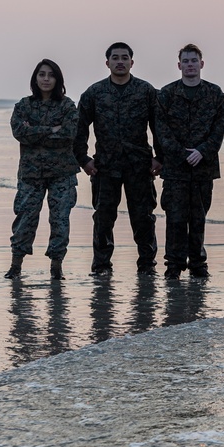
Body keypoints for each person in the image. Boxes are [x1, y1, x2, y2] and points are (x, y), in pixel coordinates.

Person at [75, 42, 162, 277]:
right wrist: (84, 160)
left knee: (143, 218)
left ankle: (147, 265)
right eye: (115, 58)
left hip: (139, 166)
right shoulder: (94, 93)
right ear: (107, 63)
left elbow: (159, 127)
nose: (120, 62)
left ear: (132, 62)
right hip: (105, 167)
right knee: (103, 218)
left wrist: (159, 158)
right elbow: (80, 128)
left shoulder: (146, 91)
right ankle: (102, 266)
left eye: (125, 58)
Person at [155, 44, 224, 280]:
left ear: (201, 64)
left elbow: (218, 131)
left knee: (198, 218)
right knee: (175, 220)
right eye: (185, 61)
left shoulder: (215, 95)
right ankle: (173, 266)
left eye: (194, 60)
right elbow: (161, 132)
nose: (190, 65)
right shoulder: (166, 94)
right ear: (179, 66)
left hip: (203, 169)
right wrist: (182, 153)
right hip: (175, 169)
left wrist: (202, 151)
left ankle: (198, 264)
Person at [4, 59, 80, 280]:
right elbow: (19, 132)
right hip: (31, 174)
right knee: (25, 219)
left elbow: (68, 134)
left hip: (62, 174)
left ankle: (56, 268)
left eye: (51, 75)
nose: (46, 79)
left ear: (58, 79)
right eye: (42, 74)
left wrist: (35, 131)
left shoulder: (67, 106)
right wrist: (51, 129)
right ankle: (16, 266)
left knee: (60, 221)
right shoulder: (23, 106)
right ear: (35, 78)